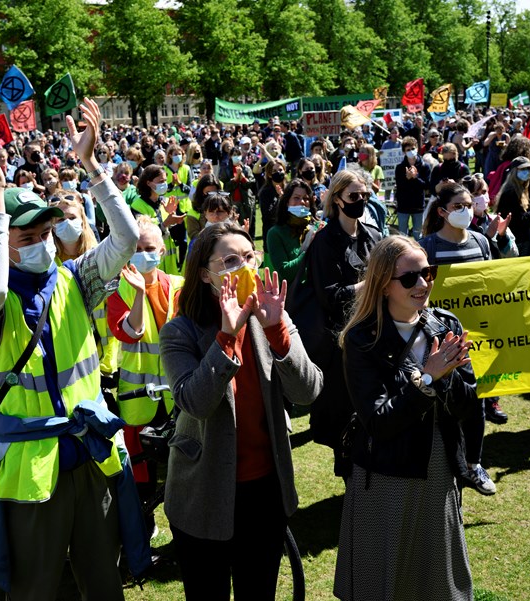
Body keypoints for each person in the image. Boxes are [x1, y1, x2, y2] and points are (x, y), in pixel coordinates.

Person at [0, 99, 138, 601]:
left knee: (104, 578)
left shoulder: (75, 278)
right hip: (30, 467)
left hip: (88, 451)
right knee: (34, 587)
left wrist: (92, 166)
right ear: (2, 241)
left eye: (46, 233)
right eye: (29, 236)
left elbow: (124, 239)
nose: (43, 242)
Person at [159, 222, 322, 600]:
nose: (244, 267)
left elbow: (309, 390)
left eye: (249, 257)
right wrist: (227, 337)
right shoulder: (180, 331)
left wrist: (278, 330)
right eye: (230, 260)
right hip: (203, 492)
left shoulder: (271, 317)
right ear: (204, 274)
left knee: (258, 591)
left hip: (264, 492)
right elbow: (194, 402)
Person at [335, 235, 477, 601]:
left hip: (437, 469)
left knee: (435, 580)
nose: (424, 284)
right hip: (385, 475)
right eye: (410, 278)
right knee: (381, 583)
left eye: (428, 273)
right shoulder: (362, 340)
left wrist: (443, 381)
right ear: (383, 283)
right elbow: (379, 422)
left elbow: (468, 407)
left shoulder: (445, 326)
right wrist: (427, 379)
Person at [300, 169, 383, 474]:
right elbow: (329, 295)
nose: (360, 201)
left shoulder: (373, 235)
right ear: (337, 199)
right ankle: (348, 468)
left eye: (365, 196)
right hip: (341, 342)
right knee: (344, 411)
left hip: (374, 334)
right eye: (353, 196)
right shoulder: (325, 241)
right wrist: (368, 284)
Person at [107, 217, 183, 537]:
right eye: (136, 249)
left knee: (182, 468)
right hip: (138, 399)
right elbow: (130, 333)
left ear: (162, 250)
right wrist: (139, 295)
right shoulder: (118, 288)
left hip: (176, 394)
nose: (142, 254)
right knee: (141, 473)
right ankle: (141, 534)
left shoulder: (179, 285)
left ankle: (184, 527)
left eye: (149, 248)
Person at [265, 179, 321, 284]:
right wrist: (310, 247)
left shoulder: (320, 227)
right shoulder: (275, 233)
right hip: (296, 297)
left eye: (306, 198)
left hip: (321, 294)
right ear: (287, 202)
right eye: (296, 198)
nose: (302, 202)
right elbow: (286, 273)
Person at [394, 137, 431, 239]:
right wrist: (407, 178)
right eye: (408, 150)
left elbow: (427, 186)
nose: (411, 151)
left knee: (418, 234)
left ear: (417, 148)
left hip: (418, 204)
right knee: (402, 234)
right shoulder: (400, 167)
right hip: (403, 204)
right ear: (404, 152)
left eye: (413, 148)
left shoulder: (424, 166)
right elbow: (400, 186)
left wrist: (415, 177)